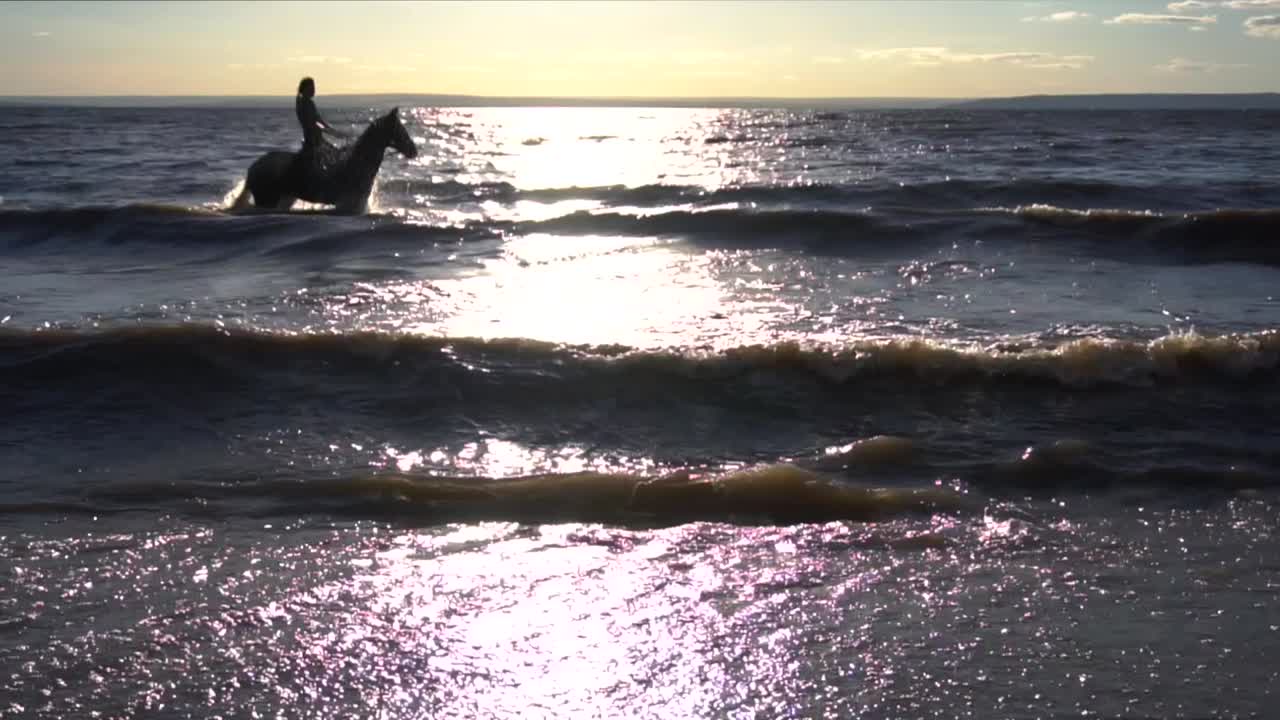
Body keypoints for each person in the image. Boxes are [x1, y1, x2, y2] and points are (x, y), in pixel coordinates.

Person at [295, 77, 346, 150]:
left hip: (312, 139)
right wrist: (332, 132)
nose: (313, 91)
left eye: (314, 88)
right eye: (311, 88)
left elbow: (317, 121)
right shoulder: (307, 103)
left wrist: (331, 131)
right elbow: (316, 122)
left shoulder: (301, 102)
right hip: (314, 141)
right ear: (305, 89)